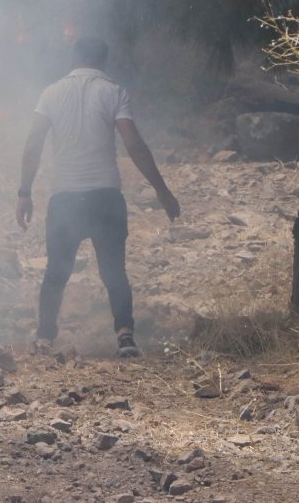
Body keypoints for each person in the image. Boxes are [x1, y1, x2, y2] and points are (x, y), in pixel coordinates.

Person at [15, 37, 179, 357]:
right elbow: (133, 145)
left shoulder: (51, 93)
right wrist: (162, 190)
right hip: (105, 196)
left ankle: (45, 338)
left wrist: (24, 193)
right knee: (113, 270)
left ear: (75, 57)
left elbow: (33, 144)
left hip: (65, 198)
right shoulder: (114, 92)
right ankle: (125, 336)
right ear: (104, 60)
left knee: (56, 271)